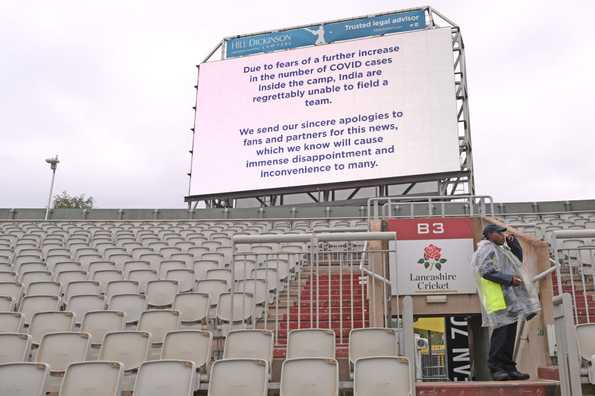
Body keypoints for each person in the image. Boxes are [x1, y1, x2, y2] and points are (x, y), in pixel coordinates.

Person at [471, 224, 541, 381]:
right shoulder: (486, 249)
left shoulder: (501, 249)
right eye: (500, 234)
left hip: (509, 298)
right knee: (501, 335)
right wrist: (509, 279)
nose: (503, 236)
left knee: (510, 334)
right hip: (498, 298)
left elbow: (517, 262)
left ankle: (509, 367)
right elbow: (485, 271)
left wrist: (513, 243)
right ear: (490, 234)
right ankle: (496, 368)